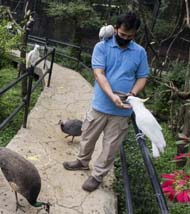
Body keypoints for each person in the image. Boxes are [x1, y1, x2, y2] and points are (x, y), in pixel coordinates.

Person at [63, 12, 149, 192]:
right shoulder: (101, 47)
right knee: (87, 135)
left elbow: (142, 77)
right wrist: (112, 96)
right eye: (122, 34)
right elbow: (98, 74)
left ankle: (97, 175)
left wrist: (132, 93)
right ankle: (82, 161)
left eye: (130, 36)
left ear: (135, 34)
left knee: (111, 146)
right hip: (101, 104)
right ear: (116, 28)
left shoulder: (140, 52)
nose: (125, 38)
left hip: (123, 110)